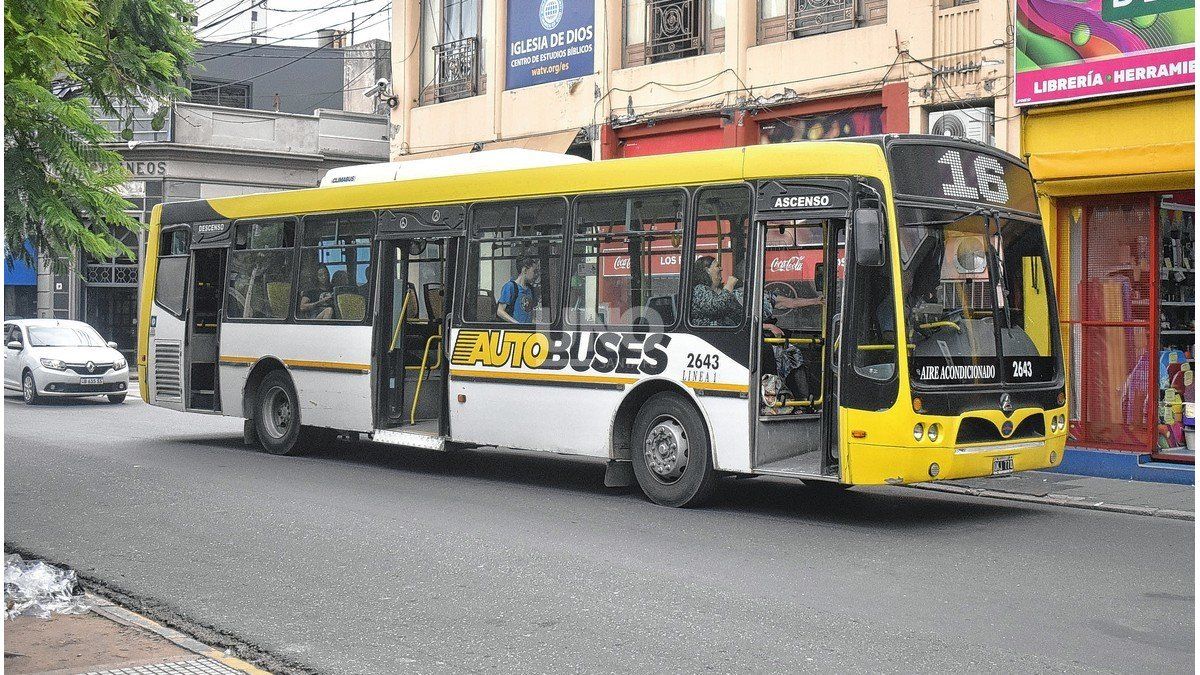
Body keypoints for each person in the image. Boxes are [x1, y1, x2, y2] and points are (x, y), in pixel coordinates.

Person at [497, 257, 538, 324]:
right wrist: (517, 324)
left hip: (528, 330)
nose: (535, 274)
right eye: (533, 271)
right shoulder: (510, 287)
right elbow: (500, 311)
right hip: (515, 330)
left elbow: (532, 315)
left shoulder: (530, 289)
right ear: (525, 270)